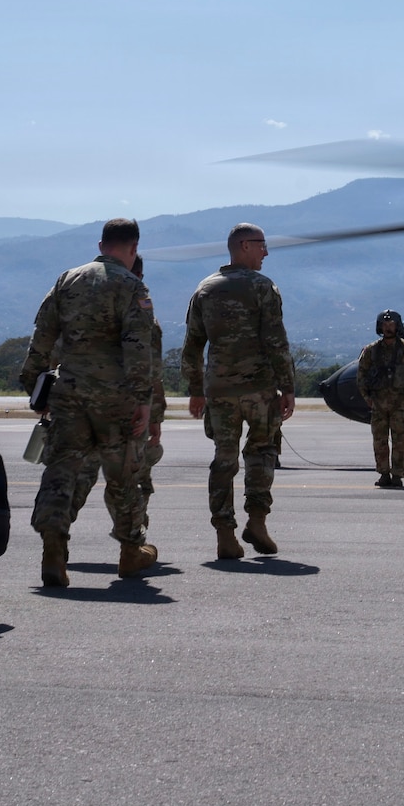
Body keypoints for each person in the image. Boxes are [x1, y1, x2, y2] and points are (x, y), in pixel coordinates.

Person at [22, 218, 158, 586]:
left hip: (69, 394)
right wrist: (143, 399)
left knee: (60, 471)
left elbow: (42, 335)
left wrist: (34, 385)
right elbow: (138, 349)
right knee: (123, 474)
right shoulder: (133, 286)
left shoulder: (68, 280)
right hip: (115, 398)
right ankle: (130, 550)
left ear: (101, 245)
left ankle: (53, 549)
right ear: (133, 249)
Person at [182, 223, 296, 560]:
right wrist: (287, 386)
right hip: (259, 389)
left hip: (219, 391)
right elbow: (276, 340)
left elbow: (192, 345)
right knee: (262, 453)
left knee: (224, 460)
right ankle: (257, 521)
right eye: (261, 245)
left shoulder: (205, 289)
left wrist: (195, 390)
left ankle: (225, 535)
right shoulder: (263, 287)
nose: (266, 252)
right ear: (244, 246)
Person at [357, 309, 404, 488]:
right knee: (380, 441)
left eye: (391, 324)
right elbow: (361, 374)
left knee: (399, 441)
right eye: (385, 324)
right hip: (378, 404)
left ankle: (397, 475)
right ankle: (384, 473)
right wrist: (366, 396)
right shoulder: (371, 351)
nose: (388, 327)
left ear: (397, 326)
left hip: (400, 403)